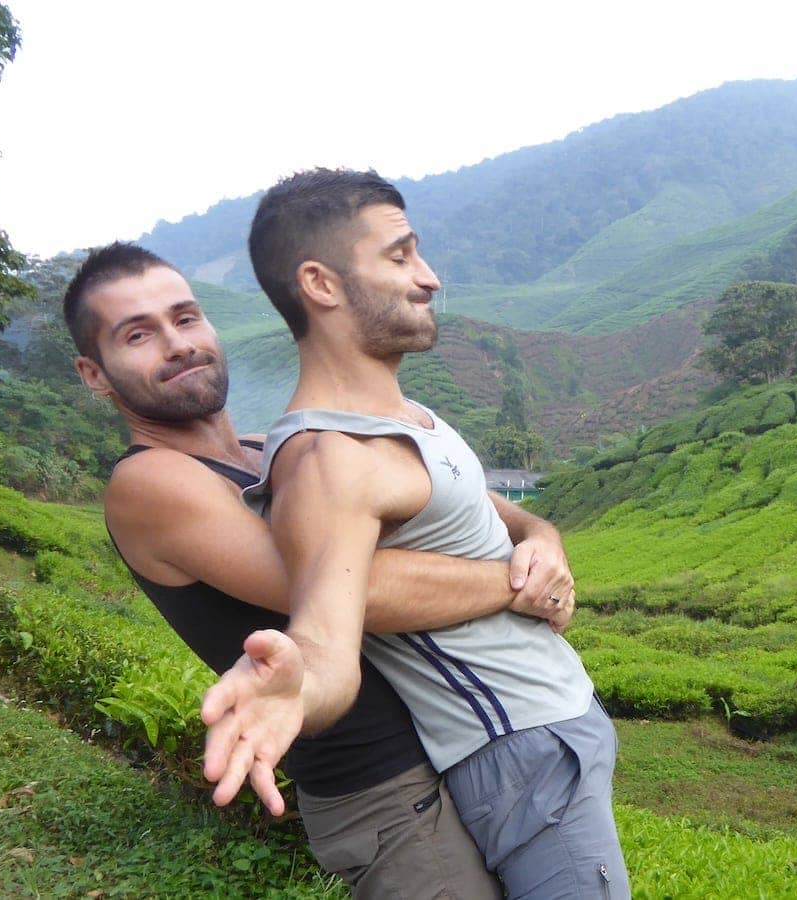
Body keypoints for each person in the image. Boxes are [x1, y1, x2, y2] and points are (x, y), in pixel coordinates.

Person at [65, 241, 578, 898]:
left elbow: (463, 490)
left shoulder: (265, 448)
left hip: (457, 738)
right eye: (137, 334)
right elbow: (342, 590)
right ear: (95, 373)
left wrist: (542, 534)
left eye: (186, 318)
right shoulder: (150, 485)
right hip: (385, 791)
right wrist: (518, 587)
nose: (177, 344)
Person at [200, 168, 629, 899]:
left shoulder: (408, 415)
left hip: (554, 731)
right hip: (518, 750)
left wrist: (544, 539)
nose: (428, 278)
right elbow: (329, 638)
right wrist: (299, 689)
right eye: (399, 256)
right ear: (322, 284)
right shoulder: (330, 461)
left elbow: (497, 511)